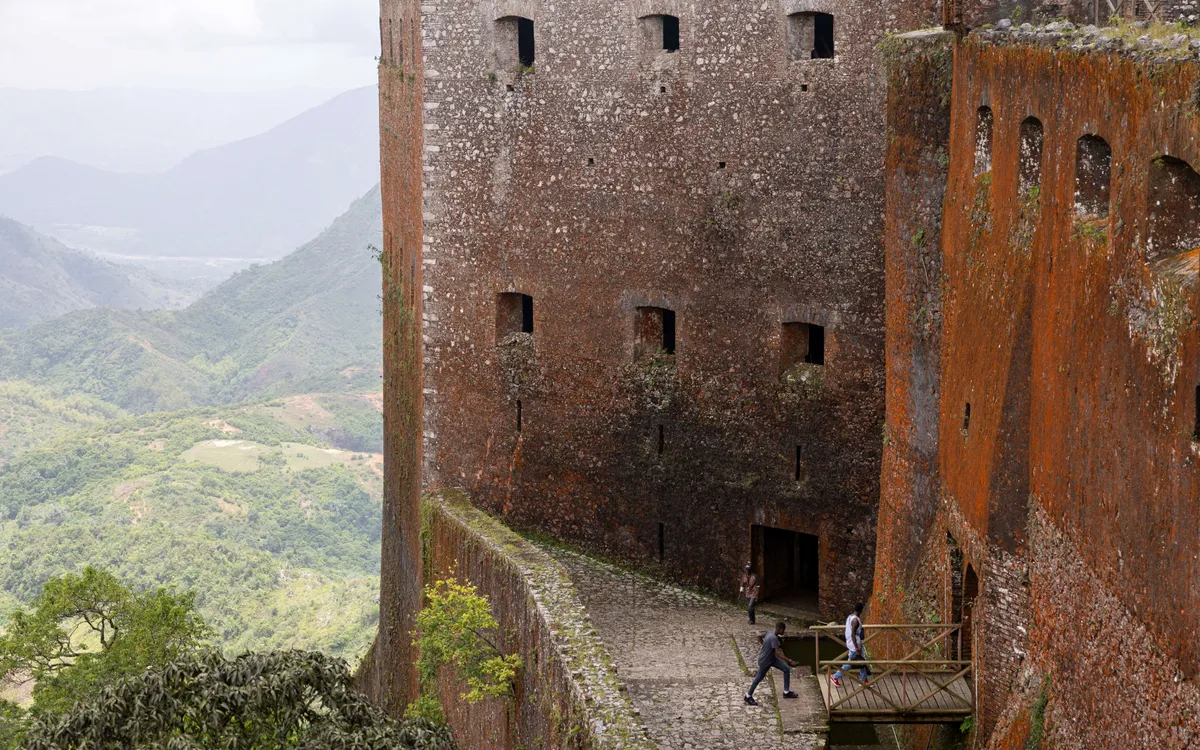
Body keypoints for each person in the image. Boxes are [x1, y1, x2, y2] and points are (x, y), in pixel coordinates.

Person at [744, 621, 799, 705]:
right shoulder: (774, 638)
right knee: (759, 677)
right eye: (783, 630)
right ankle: (748, 696)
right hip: (765, 661)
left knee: (786, 669)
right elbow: (778, 653)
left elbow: (759, 636)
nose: (784, 632)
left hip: (772, 659)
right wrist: (790, 661)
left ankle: (786, 692)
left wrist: (764, 645)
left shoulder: (769, 632)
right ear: (779, 629)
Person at [831, 602, 870, 687]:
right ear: (861, 610)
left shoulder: (850, 617)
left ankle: (864, 680)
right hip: (854, 645)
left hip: (852, 643)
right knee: (849, 664)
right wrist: (856, 649)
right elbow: (853, 634)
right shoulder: (855, 620)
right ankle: (835, 676)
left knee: (862, 661)